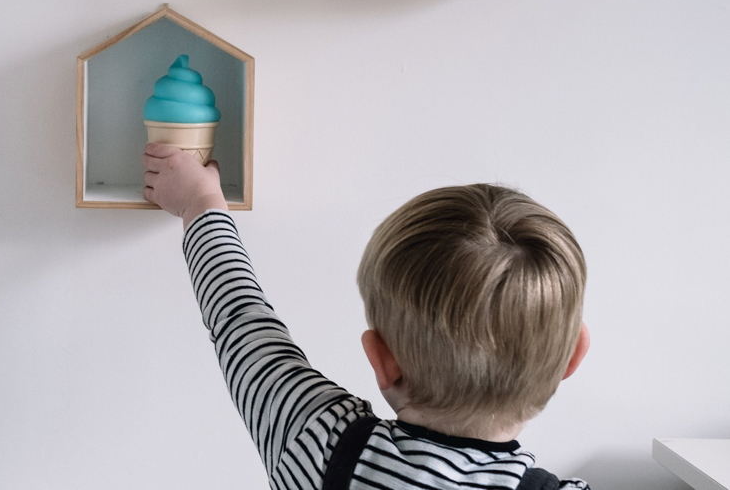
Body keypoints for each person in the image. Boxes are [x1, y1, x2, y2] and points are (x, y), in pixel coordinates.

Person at [141, 144, 591, 490]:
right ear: (572, 357)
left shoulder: (321, 445)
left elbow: (240, 318)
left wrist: (200, 200)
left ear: (382, 360)